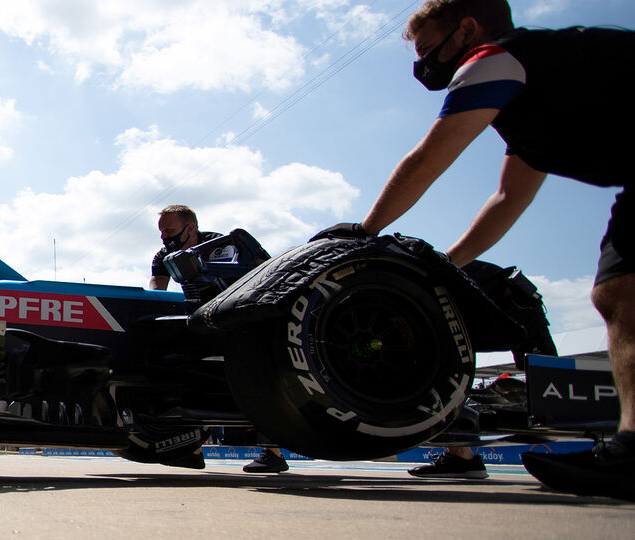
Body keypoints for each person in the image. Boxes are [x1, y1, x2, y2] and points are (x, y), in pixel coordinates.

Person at [311, 0, 632, 496]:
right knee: (620, 294)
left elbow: (431, 156)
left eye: (428, 50)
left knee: (622, 293)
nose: (424, 66)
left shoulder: (496, 58)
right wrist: (445, 267)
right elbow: (507, 198)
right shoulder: (536, 98)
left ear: (466, 29)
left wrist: (365, 229)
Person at [149, 204, 289, 473]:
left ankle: (273, 452)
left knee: (253, 378)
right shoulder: (162, 255)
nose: (164, 235)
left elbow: (261, 270)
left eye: (169, 229)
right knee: (188, 374)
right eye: (161, 230)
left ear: (190, 228)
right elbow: (158, 292)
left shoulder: (219, 244)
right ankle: (191, 449)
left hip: (237, 319)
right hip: (198, 321)